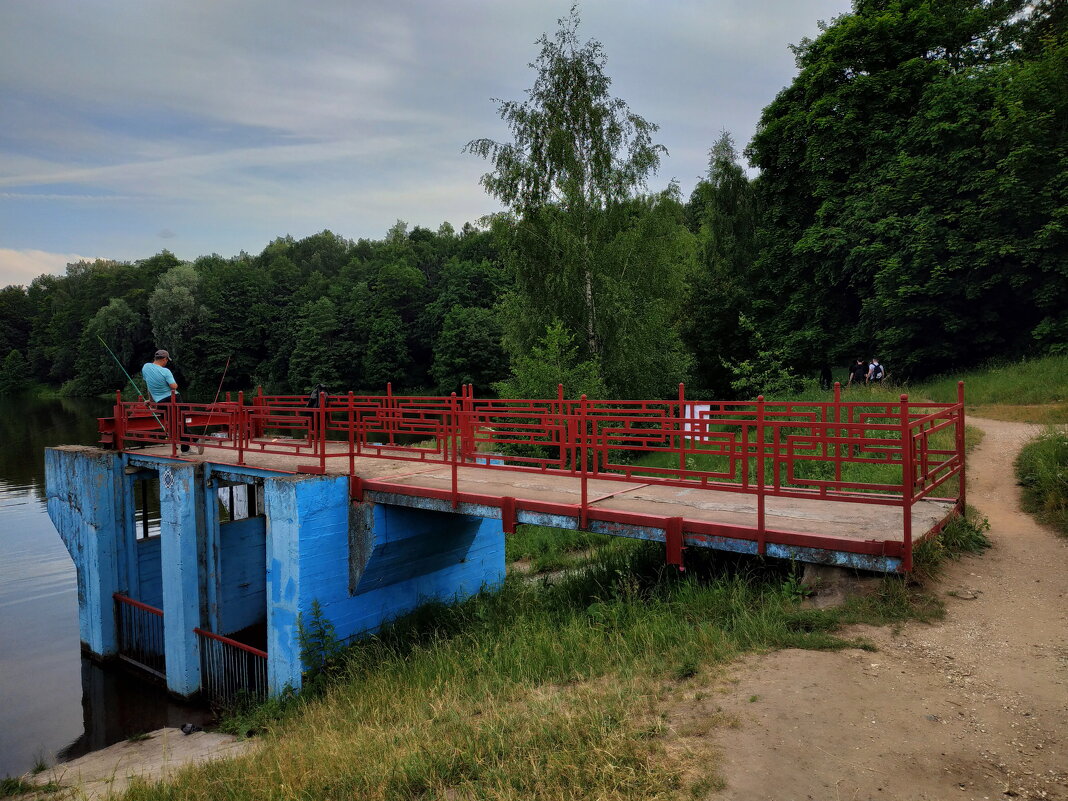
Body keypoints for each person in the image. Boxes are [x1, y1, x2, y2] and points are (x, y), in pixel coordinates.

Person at [142, 349, 191, 452]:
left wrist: (151, 400)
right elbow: (174, 386)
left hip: (160, 402)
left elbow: (149, 386)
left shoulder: (145, 367)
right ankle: (194, 441)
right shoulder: (165, 371)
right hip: (173, 399)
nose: (166, 362)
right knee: (181, 423)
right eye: (167, 360)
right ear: (164, 359)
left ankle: (186, 448)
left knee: (173, 424)